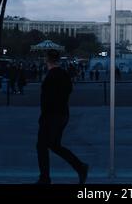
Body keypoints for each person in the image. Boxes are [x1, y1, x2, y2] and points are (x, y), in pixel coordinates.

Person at [36, 49, 88, 184]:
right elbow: (68, 91)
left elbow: (48, 99)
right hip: (62, 114)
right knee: (53, 145)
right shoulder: (63, 74)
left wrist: (44, 116)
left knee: (43, 146)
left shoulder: (51, 76)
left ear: (47, 59)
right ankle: (79, 167)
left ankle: (45, 178)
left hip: (51, 116)